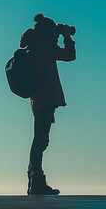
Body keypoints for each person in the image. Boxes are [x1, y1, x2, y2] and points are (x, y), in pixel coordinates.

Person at [20, 13, 76, 195]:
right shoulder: (45, 46)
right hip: (45, 99)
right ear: (48, 32)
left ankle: (34, 181)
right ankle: (36, 183)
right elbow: (69, 55)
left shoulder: (36, 46)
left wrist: (60, 34)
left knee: (40, 140)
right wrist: (67, 36)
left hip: (41, 99)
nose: (57, 35)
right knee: (40, 141)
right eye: (55, 32)